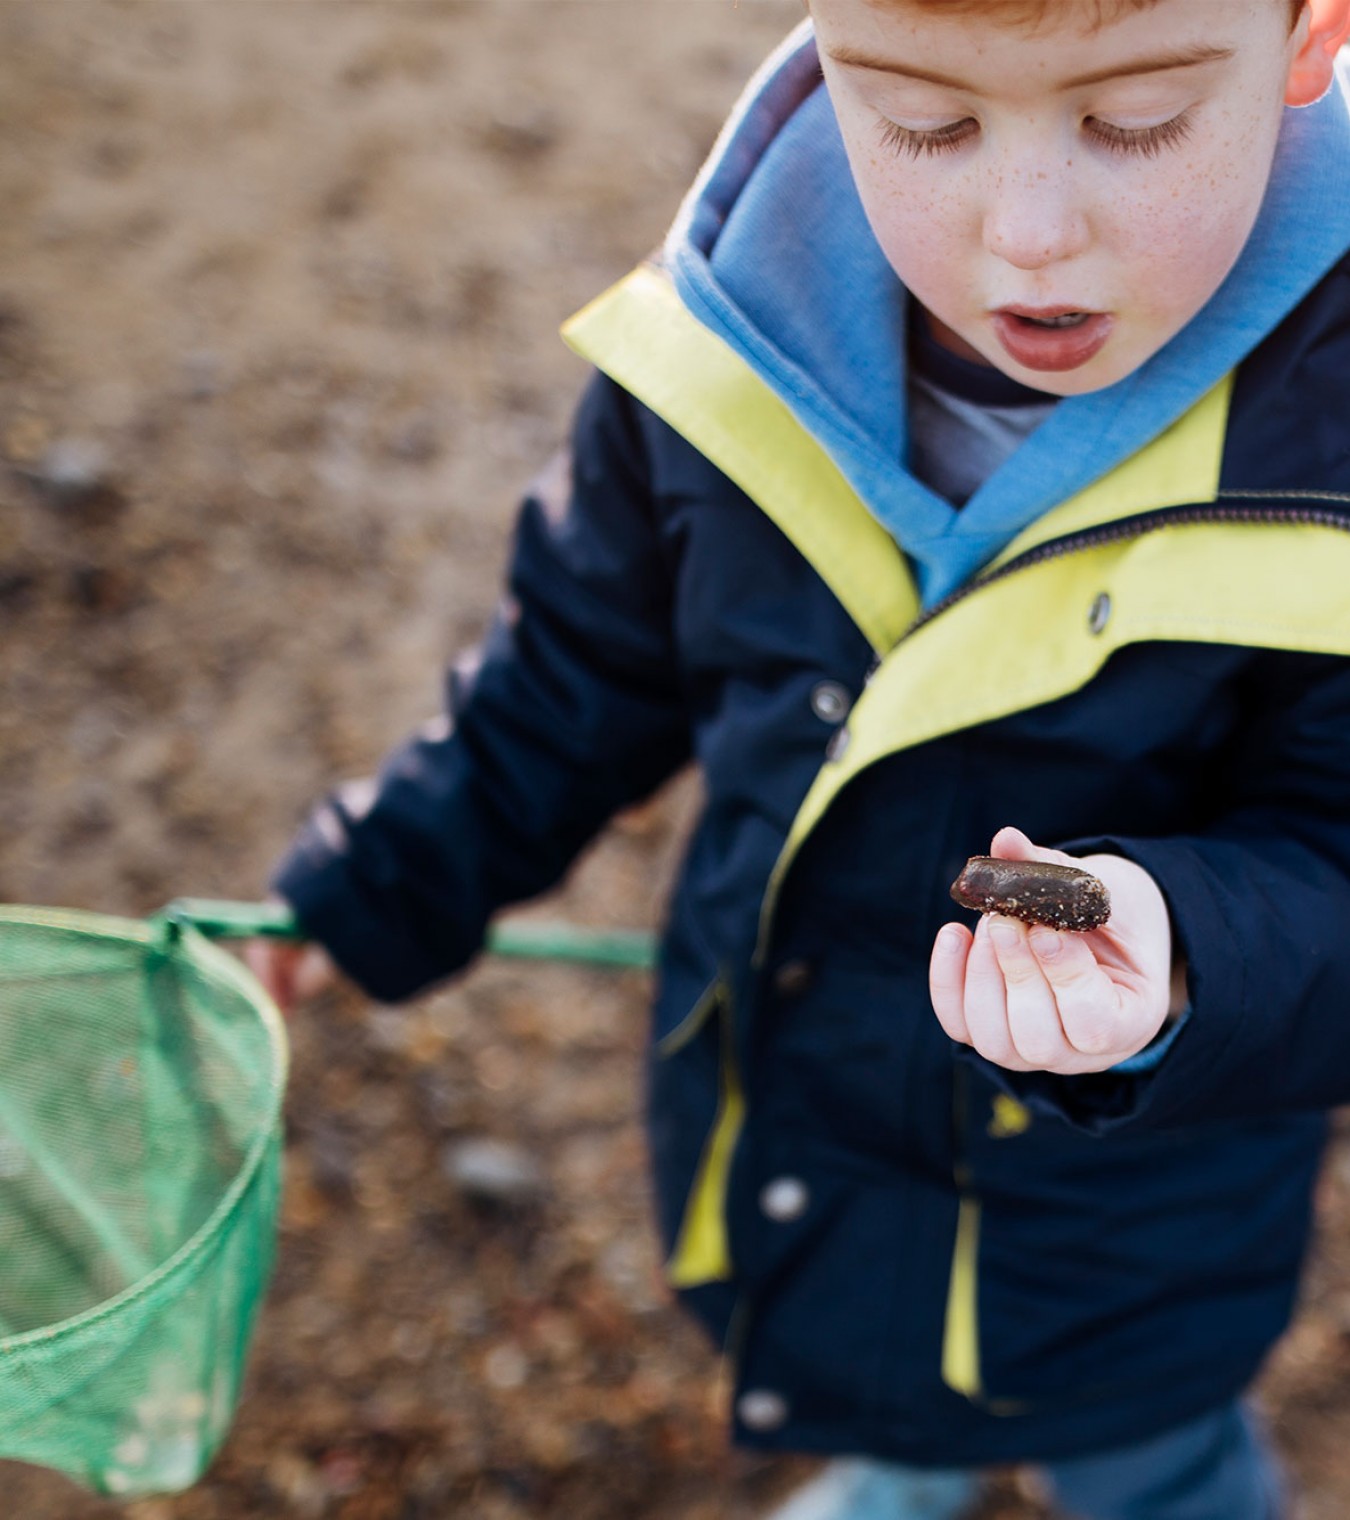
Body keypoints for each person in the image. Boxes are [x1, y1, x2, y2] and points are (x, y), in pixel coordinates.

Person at [247, 1, 1350, 1514]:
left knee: (1143, 1458)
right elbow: (577, 665)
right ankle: (899, 1477)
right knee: (872, 1376)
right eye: (926, 122)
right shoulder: (726, 329)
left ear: (1306, 41)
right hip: (805, 1113)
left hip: (1122, 1233)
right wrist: (377, 876)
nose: (1025, 235)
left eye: (1133, 121)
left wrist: (1179, 961)